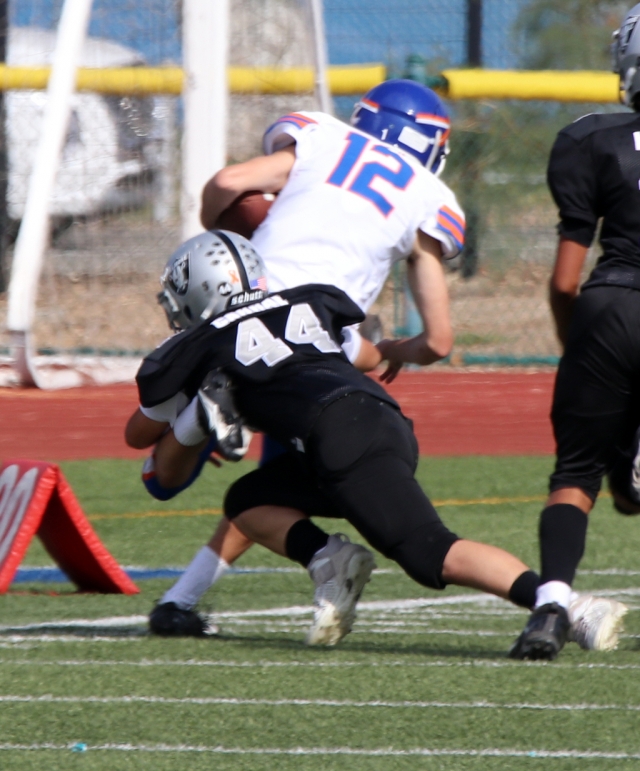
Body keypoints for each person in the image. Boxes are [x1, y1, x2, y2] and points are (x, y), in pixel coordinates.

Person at [128, 230, 627, 652]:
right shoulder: (305, 302)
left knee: (432, 553)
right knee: (249, 500)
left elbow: (144, 445)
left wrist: (191, 417)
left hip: (337, 435)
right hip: (374, 419)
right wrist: (393, 349)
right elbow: (364, 354)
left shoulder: (193, 347)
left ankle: (570, 607)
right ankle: (331, 559)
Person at [139, 79, 464, 636]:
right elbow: (436, 341)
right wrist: (393, 351)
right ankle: (198, 581)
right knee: (283, 468)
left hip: (241, 309)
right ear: (429, 144)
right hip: (321, 336)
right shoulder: (428, 194)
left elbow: (227, 183)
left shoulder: (324, 136)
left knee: (188, 474)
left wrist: (225, 240)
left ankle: (184, 597)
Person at [508, 5, 640, 661]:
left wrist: (580, 347)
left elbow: (564, 280)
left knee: (576, 473)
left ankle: (551, 609)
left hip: (611, 307)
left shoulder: (593, 137)